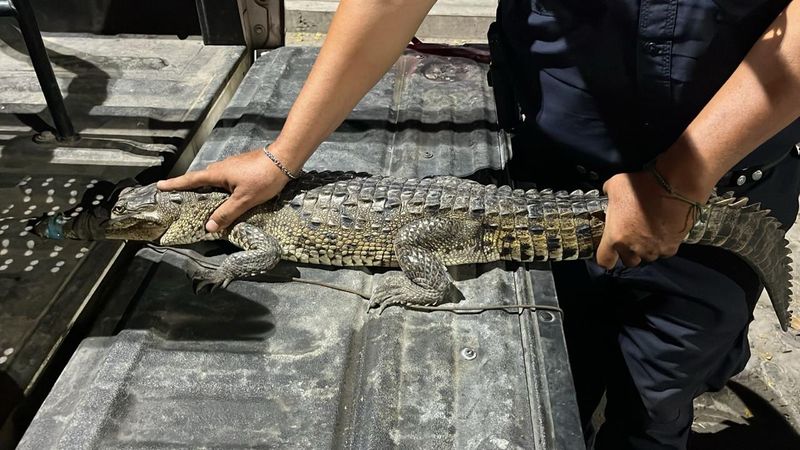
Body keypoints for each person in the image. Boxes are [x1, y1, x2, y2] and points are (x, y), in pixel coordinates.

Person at [158, 0, 800, 448]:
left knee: (656, 403)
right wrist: (281, 154)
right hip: (543, 169)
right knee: (547, 390)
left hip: (715, 180)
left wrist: (680, 179)